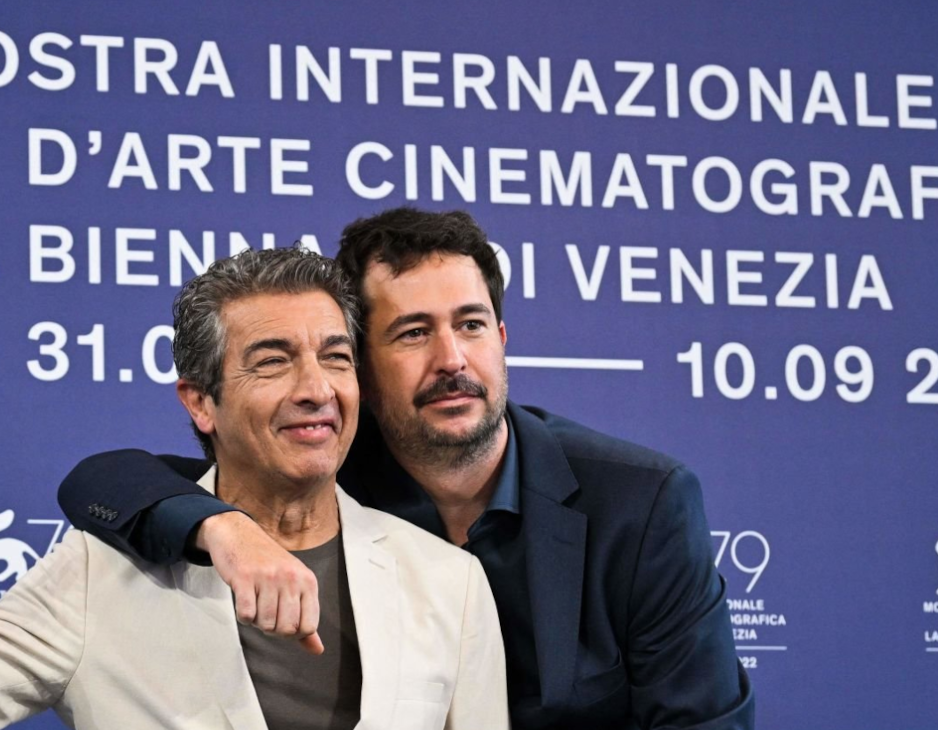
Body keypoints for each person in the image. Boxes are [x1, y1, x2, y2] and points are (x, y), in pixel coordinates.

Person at [59, 208, 755, 730]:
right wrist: (223, 531)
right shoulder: (324, 469)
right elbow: (111, 481)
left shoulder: (641, 503)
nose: (452, 358)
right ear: (357, 362)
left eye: (473, 325)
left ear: (504, 340)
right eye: (414, 333)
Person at [0, 246, 507, 730]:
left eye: (335, 357)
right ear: (200, 402)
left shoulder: (448, 583)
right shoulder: (102, 572)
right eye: (273, 361)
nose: (316, 390)